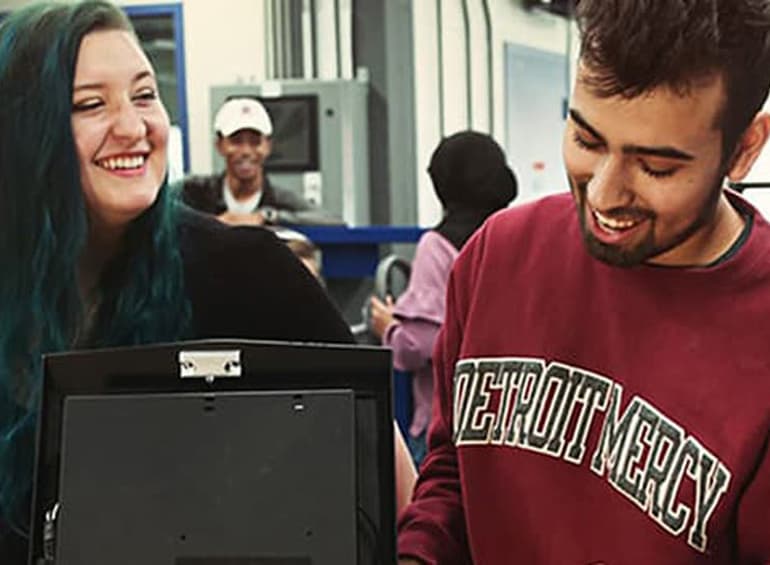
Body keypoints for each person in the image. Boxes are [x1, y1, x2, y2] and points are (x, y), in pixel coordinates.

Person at [0, 3, 413, 562]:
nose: (134, 127)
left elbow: (396, 492)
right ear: (26, 131)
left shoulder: (247, 272)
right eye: (90, 105)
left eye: (145, 95)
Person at [398, 0, 770, 563]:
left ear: (743, 148)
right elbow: (453, 470)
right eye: (587, 140)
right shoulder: (497, 255)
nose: (603, 193)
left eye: (656, 167)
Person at [369, 131, 517, 466]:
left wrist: (388, 328)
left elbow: (417, 346)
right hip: (508, 423)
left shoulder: (437, 248)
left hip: (448, 427)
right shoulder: (515, 238)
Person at [180, 97, 342, 227]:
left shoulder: (279, 200)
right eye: (236, 141)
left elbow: (333, 221)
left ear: (267, 147)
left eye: (255, 142)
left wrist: (267, 216)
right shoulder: (196, 191)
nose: (246, 151)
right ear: (220, 145)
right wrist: (211, 223)